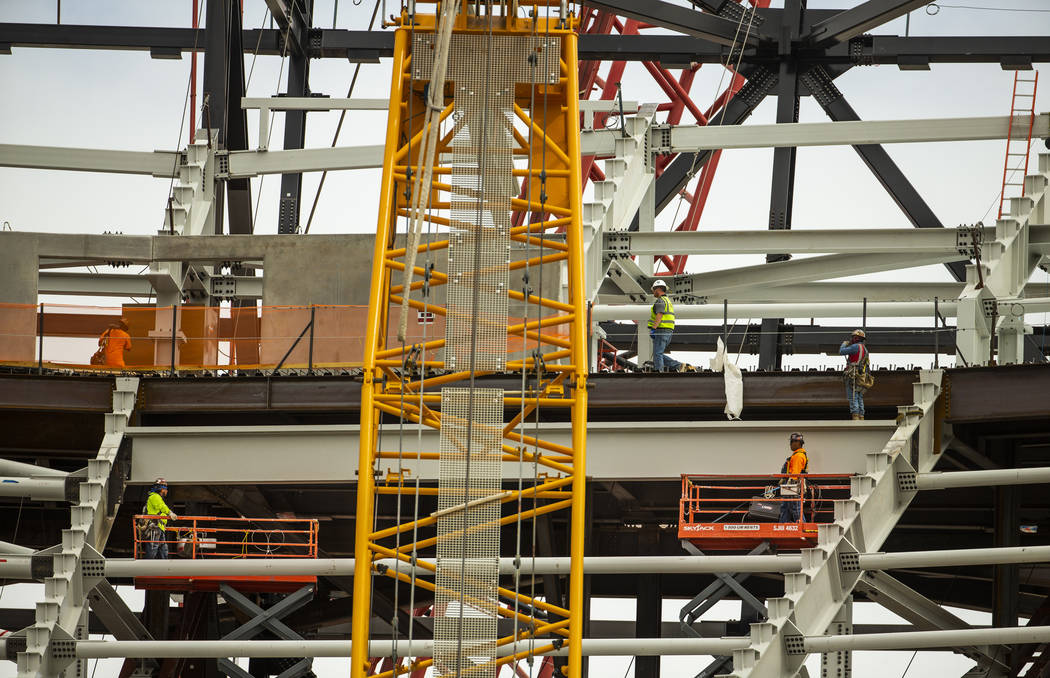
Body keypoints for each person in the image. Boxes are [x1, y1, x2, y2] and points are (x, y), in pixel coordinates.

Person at [647, 279, 682, 372]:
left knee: (657, 354)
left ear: (657, 289)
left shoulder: (660, 300)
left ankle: (659, 371)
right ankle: (678, 366)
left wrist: (653, 329)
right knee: (658, 353)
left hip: (661, 330)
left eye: (653, 290)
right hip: (668, 331)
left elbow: (660, 314)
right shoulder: (667, 301)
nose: (653, 292)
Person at [141, 478, 177, 559]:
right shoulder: (154, 497)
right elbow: (161, 507)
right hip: (154, 527)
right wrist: (170, 513)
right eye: (165, 489)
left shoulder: (157, 497)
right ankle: (147, 566)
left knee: (163, 550)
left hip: (159, 527)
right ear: (161, 489)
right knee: (153, 549)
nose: (167, 491)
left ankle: (164, 566)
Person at [839, 329, 870, 420]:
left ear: (856, 338)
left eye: (853, 337)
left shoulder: (855, 347)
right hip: (861, 375)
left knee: (852, 395)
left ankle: (855, 415)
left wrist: (844, 344)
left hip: (852, 374)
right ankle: (861, 415)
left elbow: (841, 351)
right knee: (859, 396)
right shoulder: (865, 349)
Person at [779, 432, 808, 523]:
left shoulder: (798, 456)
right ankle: (782, 526)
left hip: (793, 486)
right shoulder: (795, 455)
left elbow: (795, 475)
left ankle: (802, 526)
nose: (790, 444)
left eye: (791, 442)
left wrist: (788, 485)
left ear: (797, 443)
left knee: (796, 508)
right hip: (790, 486)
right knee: (785, 508)